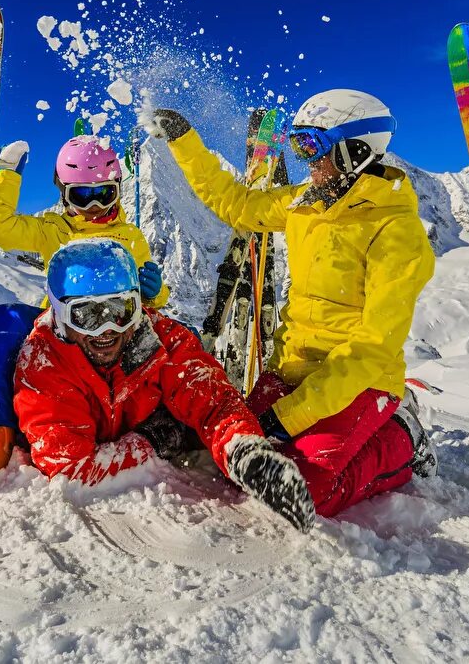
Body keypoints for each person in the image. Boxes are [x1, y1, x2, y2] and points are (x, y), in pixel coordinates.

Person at [145, 89, 437, 518]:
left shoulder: (395, 231)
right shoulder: (305, 204)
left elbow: (372, 349)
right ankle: (344, 430)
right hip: (293, 368)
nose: (306, 159)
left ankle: (401, 437)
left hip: (359, 382)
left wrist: (287, 418)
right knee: (239, 463)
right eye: (299, 144)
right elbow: (236, 205)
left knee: (306, 491)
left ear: (356, 149)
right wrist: (183, 140)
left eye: (313, 145)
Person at [12, 238, 314, 531]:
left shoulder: (159, 339)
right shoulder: (44, 364)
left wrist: (244, 450)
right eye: (87, 316)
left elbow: (214, 400)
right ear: (60, 314)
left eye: (121, 311)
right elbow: (71, 470)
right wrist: (152, 442)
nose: (107, 330)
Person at [0, 135, 168, 473]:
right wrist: (8, 175)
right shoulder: (53, 229)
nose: (94, 208)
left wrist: (155, 293)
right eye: (82, 197)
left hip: (116, 328)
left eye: (104, 194)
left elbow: (149, 301)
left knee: (174, 334)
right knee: (7, 318)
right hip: (62, 326)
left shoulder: (131, 237)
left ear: (117, 189)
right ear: (64, 194)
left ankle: (178, 419)